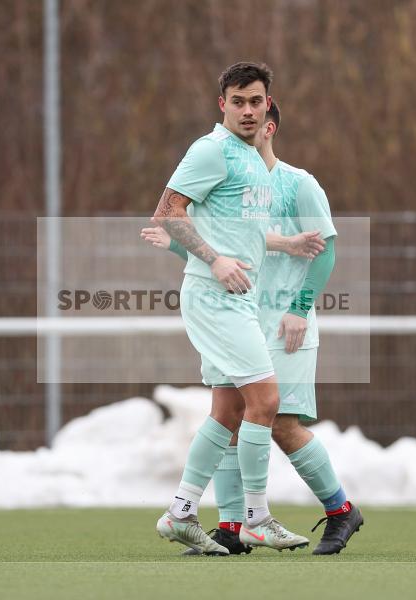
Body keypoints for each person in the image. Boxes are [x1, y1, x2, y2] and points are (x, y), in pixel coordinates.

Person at [142, 100, 364, 555]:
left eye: (256, 113)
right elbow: (233, 249)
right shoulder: (237, 181)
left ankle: (340, 510)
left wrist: (300, 309)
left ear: (271, 126)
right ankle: (231, 525)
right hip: (236, 314)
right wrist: (180, 245)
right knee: (229, 414)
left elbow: (326, 253)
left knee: (278, 420)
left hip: (287, 323)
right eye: (238, 106)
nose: (247, 121)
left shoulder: (298, 184)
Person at [151, 62, 309, 554]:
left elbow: (241, 231)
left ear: (268, 107)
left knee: (228, 410)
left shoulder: (251, 159)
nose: (246, 110)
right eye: (237, 101)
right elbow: (167, 213)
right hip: (213, 296)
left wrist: (285, 243)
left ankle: (181, 511)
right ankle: (255, 519)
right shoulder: (211, 150)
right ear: (223, 104)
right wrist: (215, 260)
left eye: (255, 101)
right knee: (265, 401)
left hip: (235, 298)